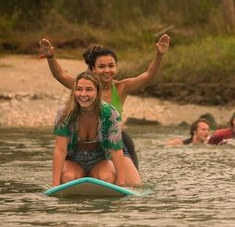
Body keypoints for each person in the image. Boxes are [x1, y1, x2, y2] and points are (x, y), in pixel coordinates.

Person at [39, 34, 170, 184]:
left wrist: (159, 54)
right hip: (84, 145)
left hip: (116, 141)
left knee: (133, 184)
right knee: (72, 176)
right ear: (93, 69)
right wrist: (50, 57)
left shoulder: (121, 87)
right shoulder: (83, 88)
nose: (107, 70)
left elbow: (148, 75)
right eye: (101, 66)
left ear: (116, 67)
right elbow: (60, 74)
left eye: (111, 66)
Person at [53, 71, 127, 187]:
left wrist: (121, 184)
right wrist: (55, 185)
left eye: (89, 89)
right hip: (73, 160)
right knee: (68, 179)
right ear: (74, 91)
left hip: (99, 159)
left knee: (107, 179)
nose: (83, 94)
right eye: (79, 89)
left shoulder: (110, 113)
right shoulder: (64, 113)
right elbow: (60, 150)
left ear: (98, 92)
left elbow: (116, 151)